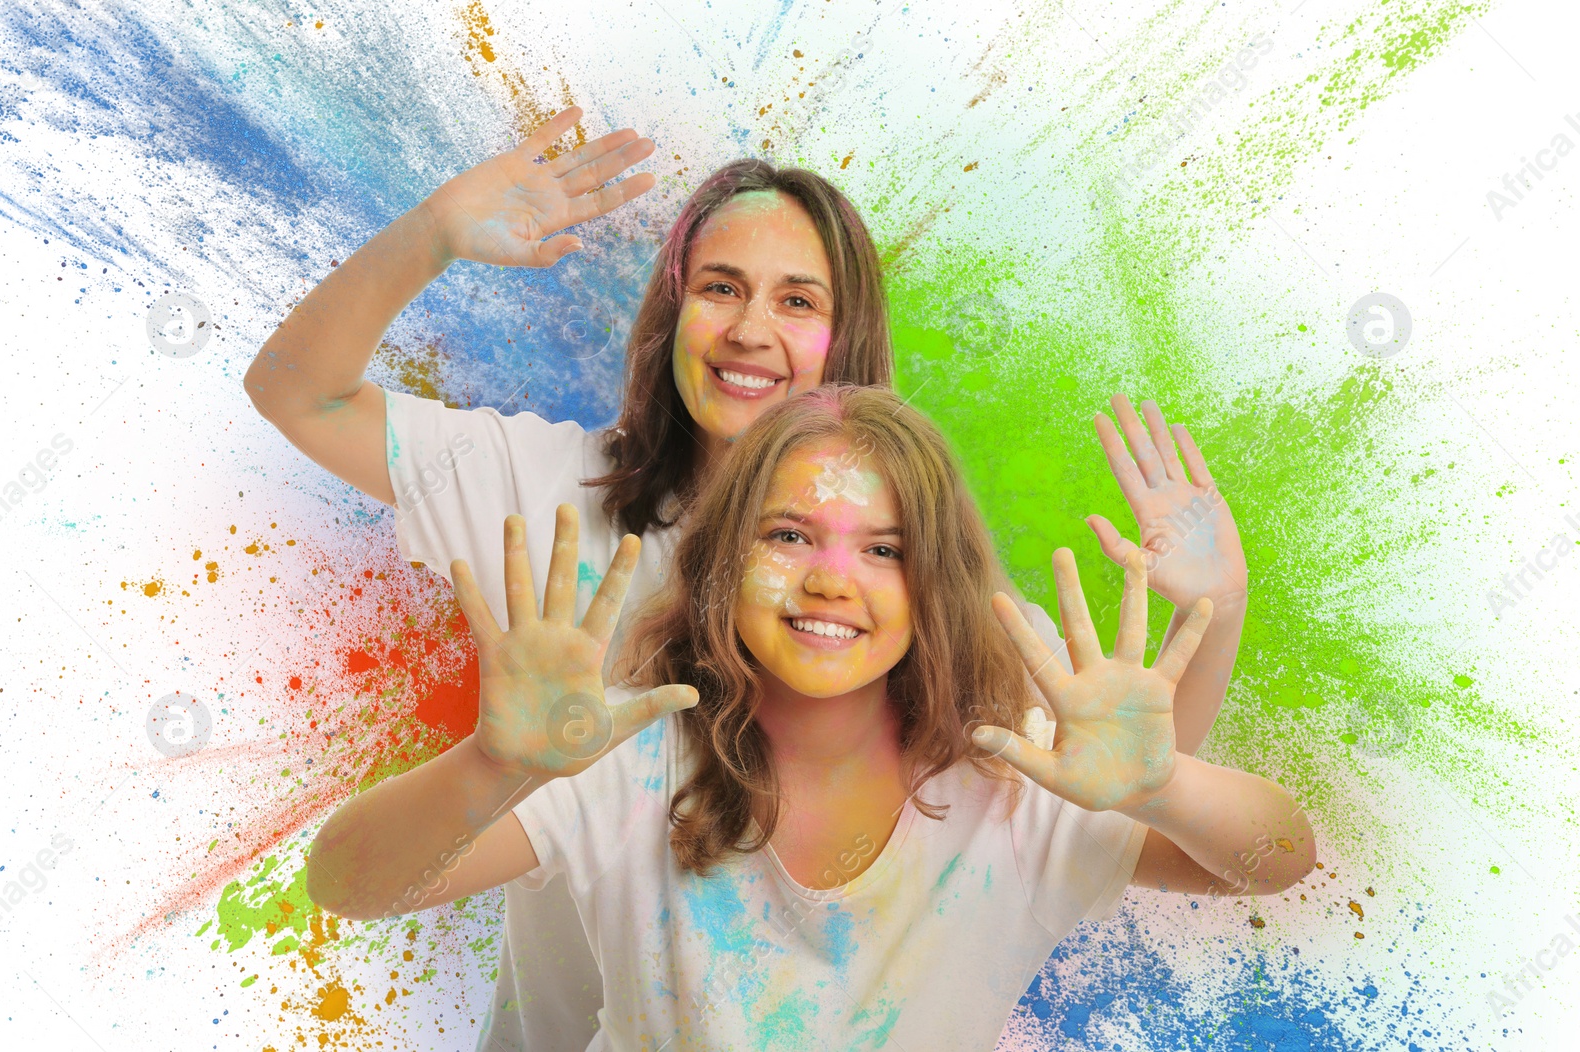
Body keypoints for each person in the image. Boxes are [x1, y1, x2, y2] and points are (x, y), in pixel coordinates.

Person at [244, 108, 1251, 1048]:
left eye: (797, 300)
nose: (749, 329)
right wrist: (431, 234)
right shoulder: (546, 485)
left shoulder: (920, 593)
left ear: (846, 339)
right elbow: (296, 392)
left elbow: (1118, 792)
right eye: (720, 286)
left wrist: (1217, 607)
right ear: (674, 310)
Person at [304, 385, 1314, 1051]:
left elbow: (1274, 853)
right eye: (789, 533)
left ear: (935, 588)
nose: (833, 578)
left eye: (883, 549)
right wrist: (488, 762)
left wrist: (1164, 776)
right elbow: (348, 884)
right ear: (719, 560)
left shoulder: (1012, 779)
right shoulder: (630, 755)